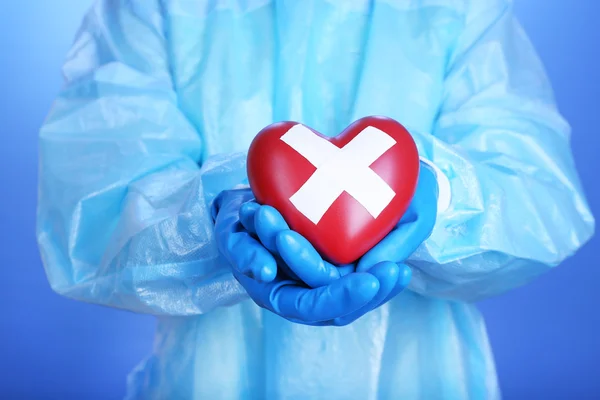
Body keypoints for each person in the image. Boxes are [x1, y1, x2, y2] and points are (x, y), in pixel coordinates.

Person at [37, 0, 594, 398]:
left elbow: (540, 196)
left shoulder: (458, 8)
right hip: (209, 378)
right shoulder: (151, 8)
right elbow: (91, 208)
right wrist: (208, 219)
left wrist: (443, 199)